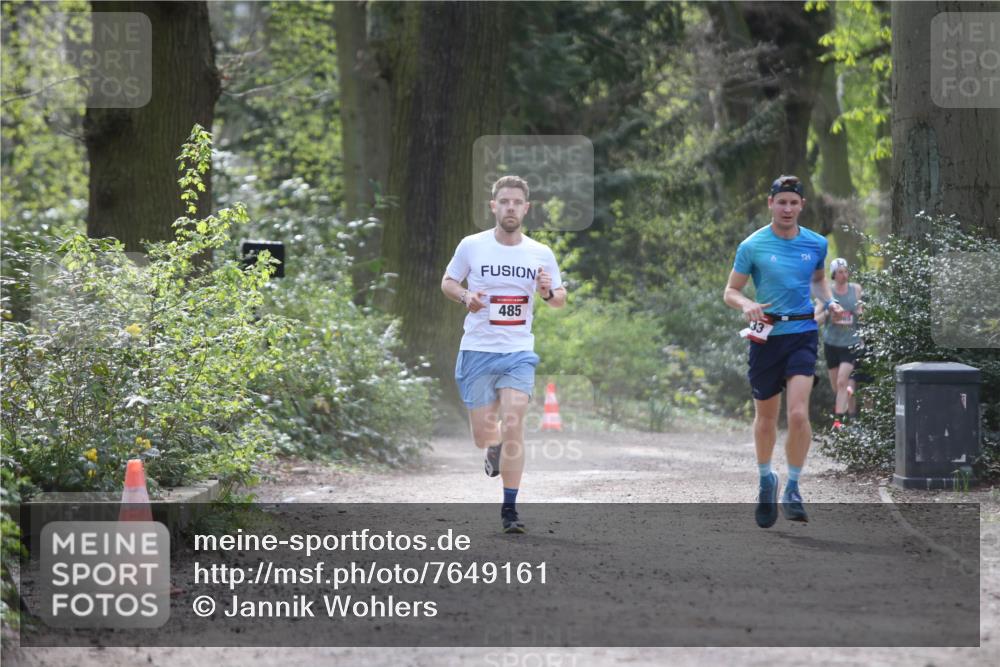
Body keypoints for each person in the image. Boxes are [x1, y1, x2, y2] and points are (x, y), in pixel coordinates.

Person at [441, 175, 567, 533]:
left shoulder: (540, 252)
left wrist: (546, 292)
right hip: (477, 351)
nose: (510, 207)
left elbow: (559, 298)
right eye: (504, 202)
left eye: (517, 202)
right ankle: (490, 447)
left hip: (517, 352)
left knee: (514, 422)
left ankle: (510, 511)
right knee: (485, 435)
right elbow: (448, 282)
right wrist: (466, 297)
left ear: (526, 209)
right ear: (493, 206)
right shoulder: (472, 245)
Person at [724, 175, 843, 528]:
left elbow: (818, 280)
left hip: (803, 332)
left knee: (797, 415)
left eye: (794, 202)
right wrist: (746, 303)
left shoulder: (816, 243)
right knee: (765, 419)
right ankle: (766, 480)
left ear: (802, 206)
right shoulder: (752, 245)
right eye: (782, 202)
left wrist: (830, 301)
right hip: (766, 337)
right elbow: (730, 290)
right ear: (771, 204)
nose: (787, 208)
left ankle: (792, 486)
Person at [814, 258, 864, 427]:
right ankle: (851, 416)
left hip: (851, 342)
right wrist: (829, 313)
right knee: (838, 387)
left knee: (843, 381)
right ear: (834, 275)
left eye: (846, 271)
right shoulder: (827, 293)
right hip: (831, 343)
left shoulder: (855, 289)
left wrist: (859, 313)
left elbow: (861, 311)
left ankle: (839, 422)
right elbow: (815, 320)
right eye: (840, 272)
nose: (844, 275)